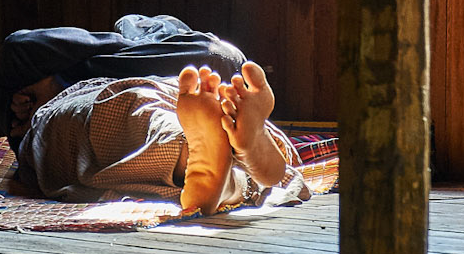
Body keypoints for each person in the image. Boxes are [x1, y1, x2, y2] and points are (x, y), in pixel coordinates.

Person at [15, 57, 310, 218]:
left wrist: (29, 109)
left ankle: (201, 156)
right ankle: (241, 156)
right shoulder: (181, 47)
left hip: (99, 100)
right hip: (188, 91)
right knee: (193, 123)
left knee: (135, 116)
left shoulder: (54, 103)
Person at [0, 13, 247, 145]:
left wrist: (57, 84)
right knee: (17, 48)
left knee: (218, 56)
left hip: (62, 102)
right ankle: (145, 39)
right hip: (39, 113)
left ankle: (62, 84)